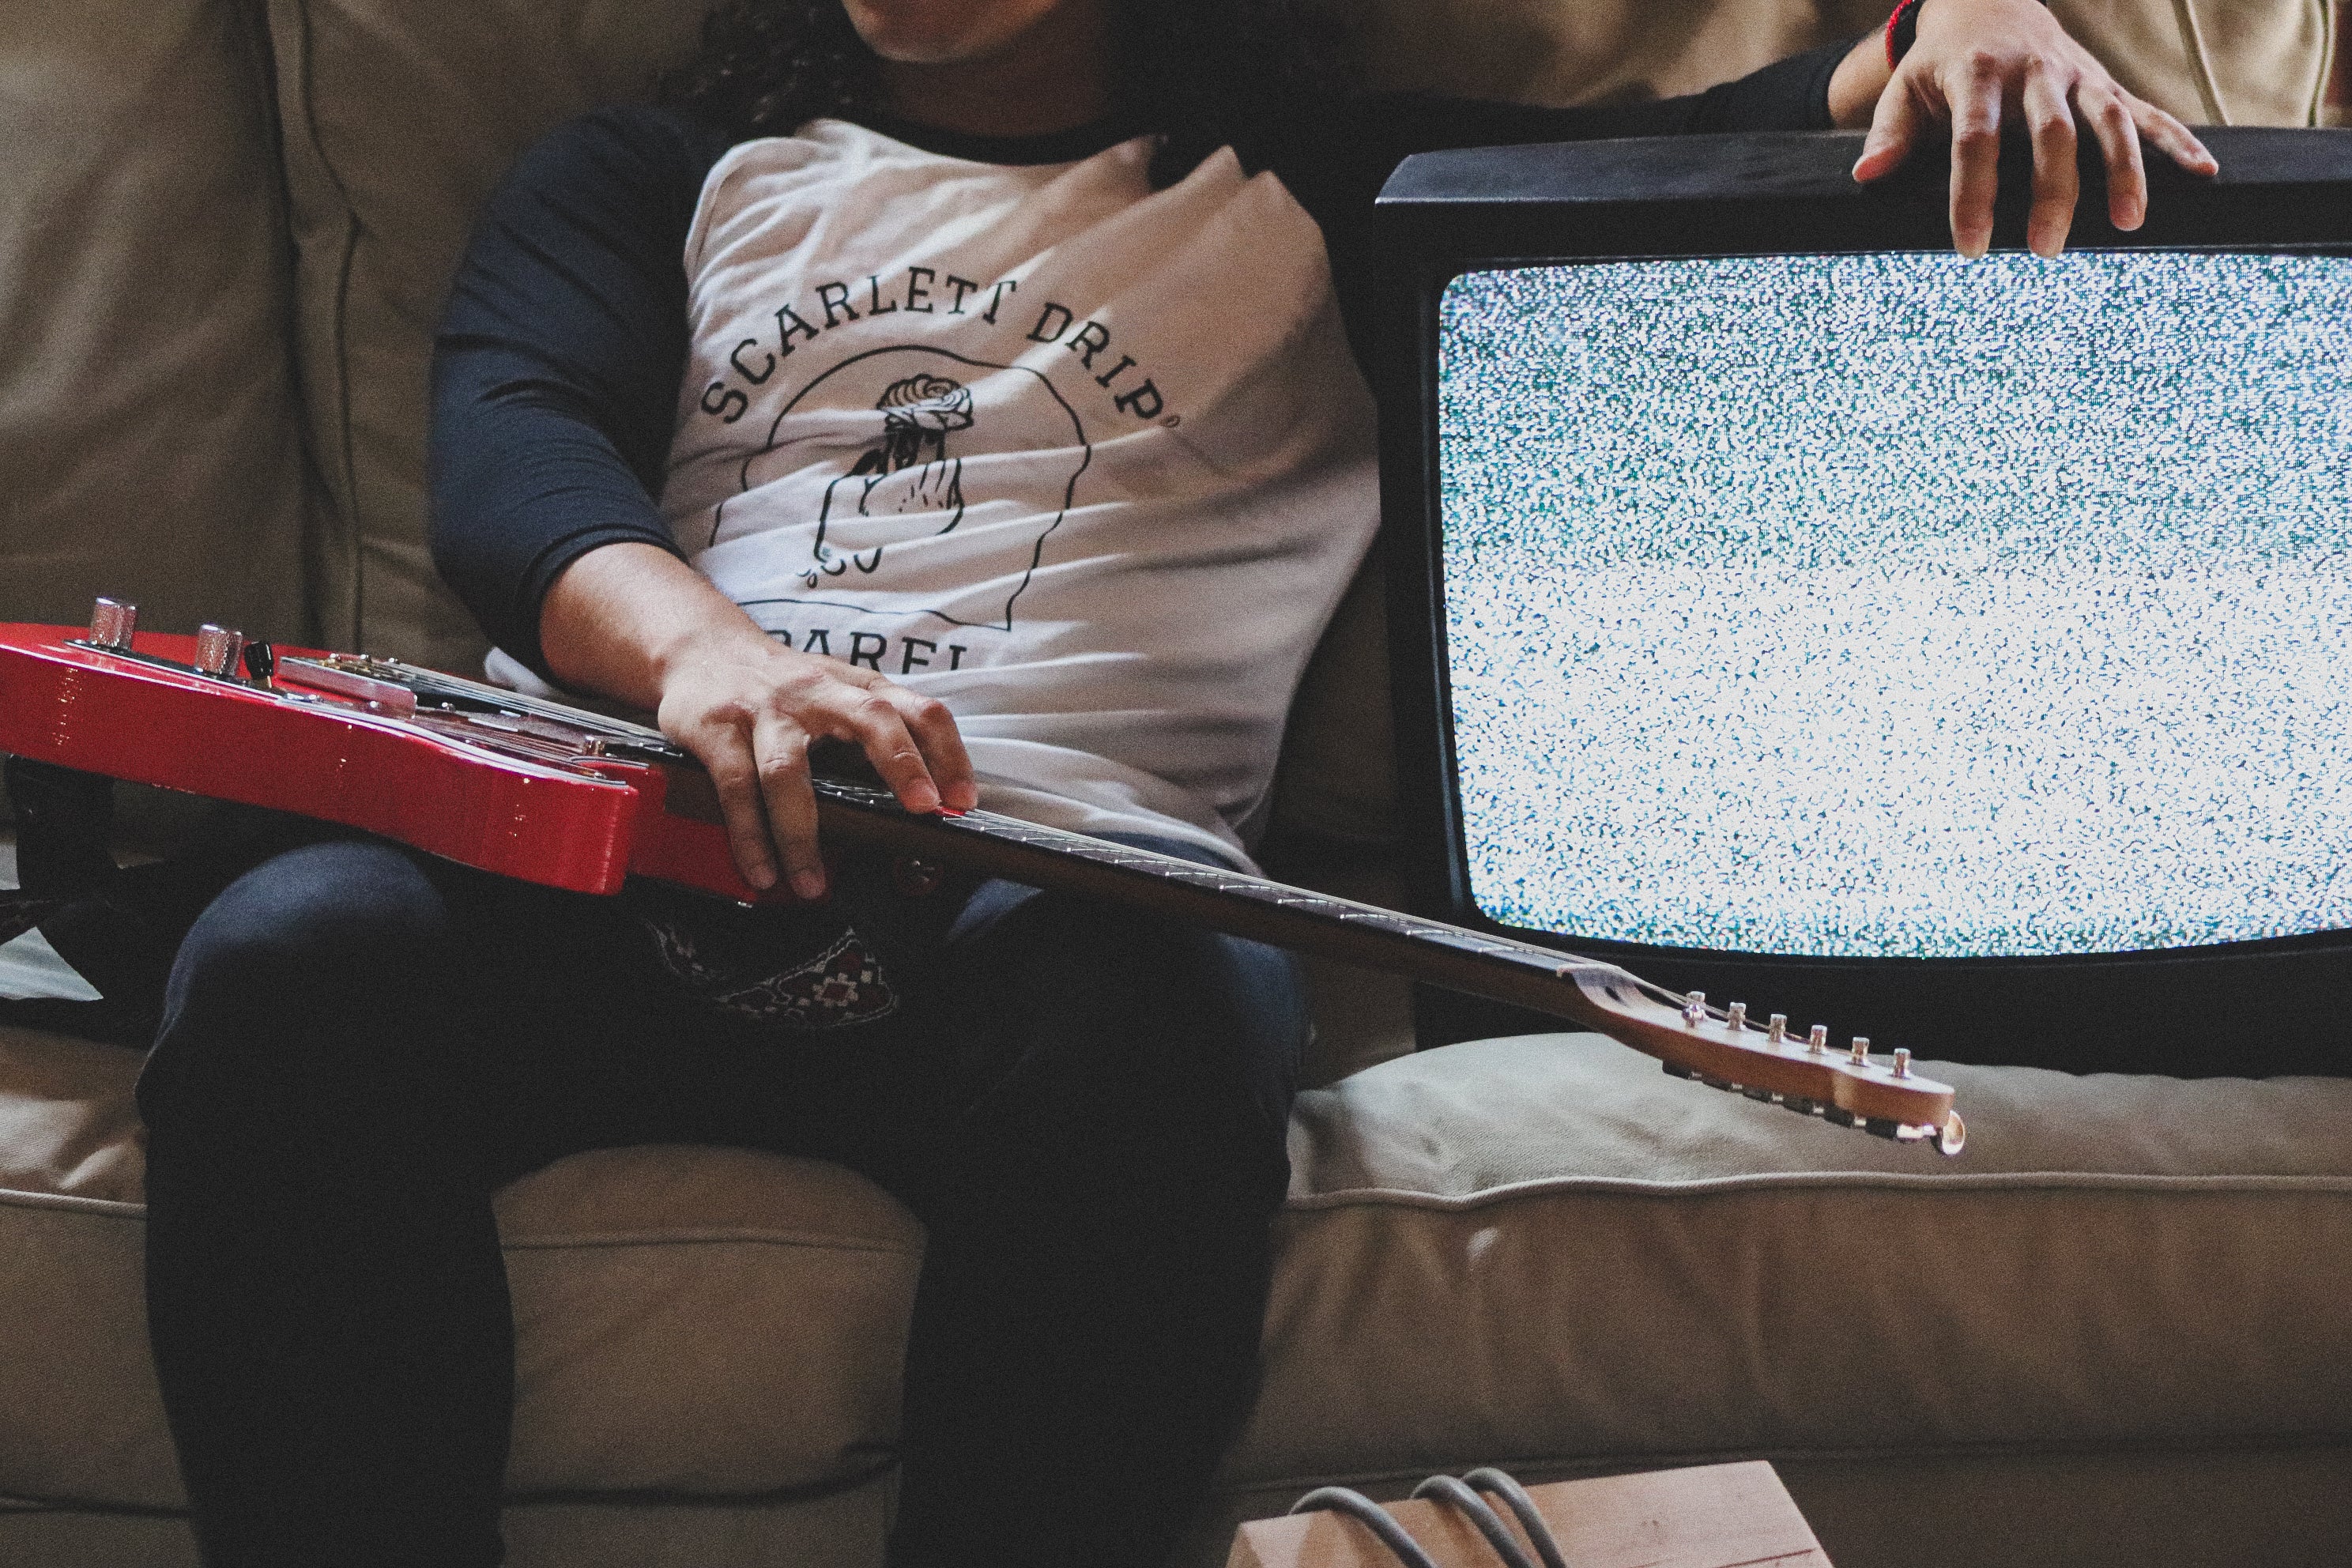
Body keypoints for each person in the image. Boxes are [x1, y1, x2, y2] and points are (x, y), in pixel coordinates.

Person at [119, 2, 2214, 1565]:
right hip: (628, 843)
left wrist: (1977, 20)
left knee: (1156, 1023)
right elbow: (516, 462)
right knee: (292, 954)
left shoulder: (1321, 185)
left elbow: (1756, 143)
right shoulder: (650, 170)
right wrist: (721, 668)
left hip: (1058, 919)